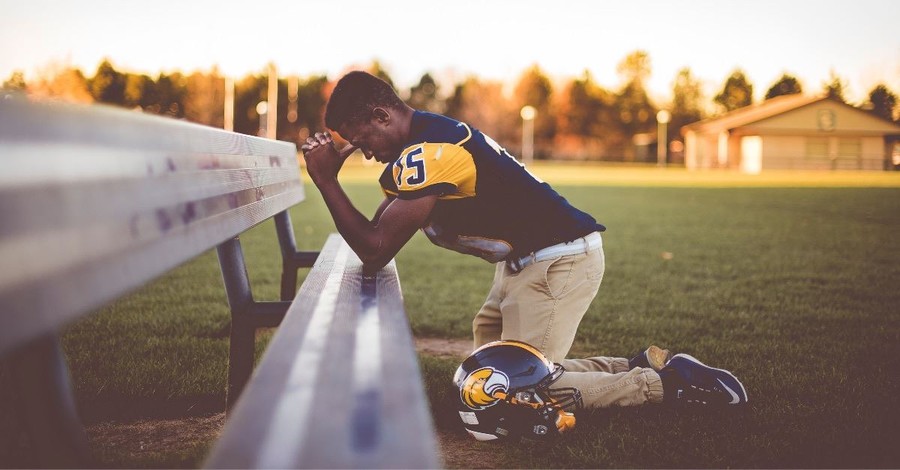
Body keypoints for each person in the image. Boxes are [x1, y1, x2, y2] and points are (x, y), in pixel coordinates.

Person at [301, 70, 747, 412]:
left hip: (557, 261)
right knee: (490, 376)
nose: (365, 151)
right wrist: (331, 180)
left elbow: (376, 249)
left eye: (363, 140)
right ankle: (637, 366)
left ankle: (666, 386)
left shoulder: (431, 150)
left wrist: (325, 182)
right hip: (528, 262)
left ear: (382, 115)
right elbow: (377, 232)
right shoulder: (421, 143)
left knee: (516, 389)